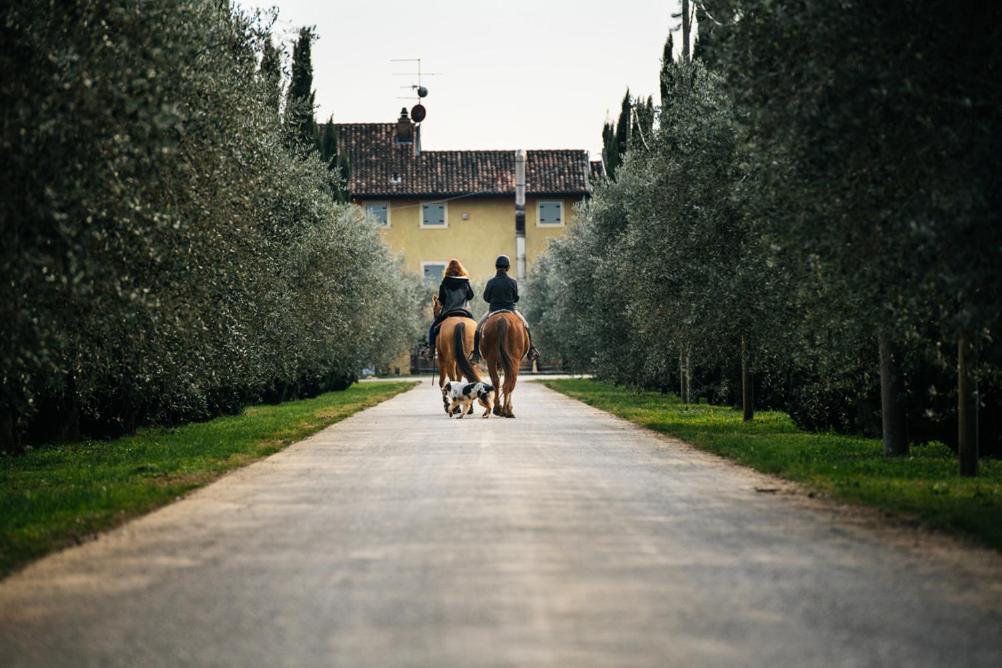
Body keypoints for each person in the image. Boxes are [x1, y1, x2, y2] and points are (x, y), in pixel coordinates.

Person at [470, 254, 540, 363]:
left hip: (493, 310)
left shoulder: (491, 282)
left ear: (496, 267)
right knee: (526, 325)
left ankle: (475, 354)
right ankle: (531, 349)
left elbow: (486, 298)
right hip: (511, 310)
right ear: (507, 268)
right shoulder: (513, 282)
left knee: (478, 328)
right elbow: (516, 298)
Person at [426, 259, 475, 353]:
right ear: (460, 270)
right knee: (476, 328)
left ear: (448, 270)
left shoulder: (445, 283)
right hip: (464, 312)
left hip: (448, 313)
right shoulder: (465, 282)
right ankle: (477, 352)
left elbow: (441, 300)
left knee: (432, 328)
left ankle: (431, 350)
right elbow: (471, 296)